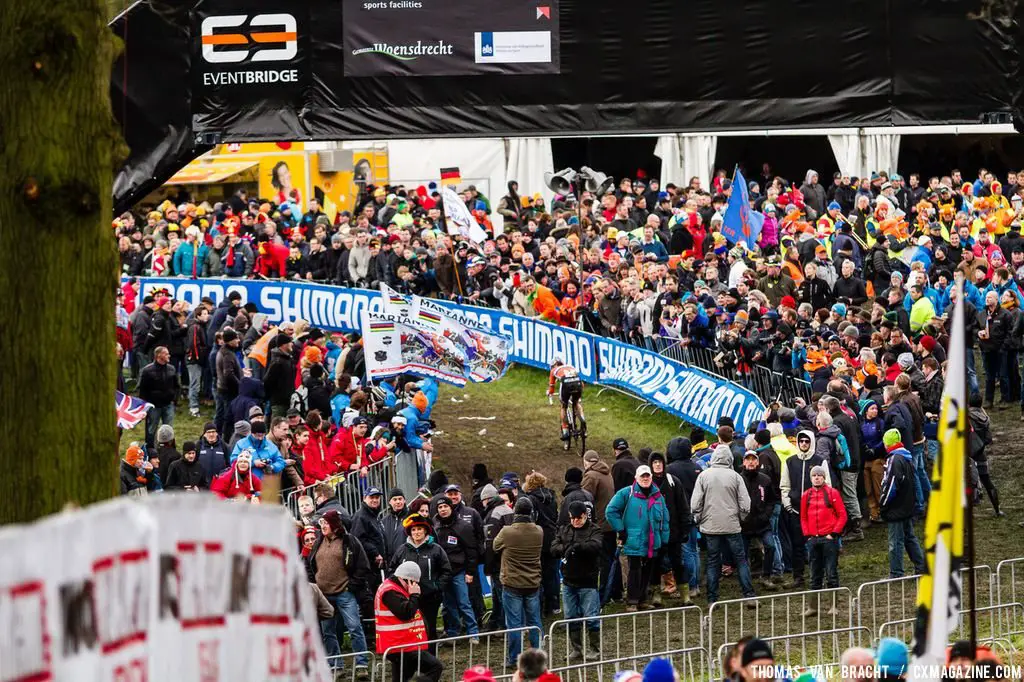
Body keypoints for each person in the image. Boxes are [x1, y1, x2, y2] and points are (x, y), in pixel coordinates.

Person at [307, 509, 371, 677]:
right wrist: (314, 584)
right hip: (323, 596)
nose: (323, 526)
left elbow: (362, 565)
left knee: (354, 627)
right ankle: (336, 665)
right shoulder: (318, 541)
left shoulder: (350, 541)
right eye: (321, 523)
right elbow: (310, 563)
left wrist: (351, 586)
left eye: (326, 523)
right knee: (328, 632)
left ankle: (361, 664)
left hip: (345, 593)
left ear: (334, 525)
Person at [690, 446, 756, 606]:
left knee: (713, 562)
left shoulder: (704, 476)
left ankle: (712, 599)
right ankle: (749, 595)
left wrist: (699, 518)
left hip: (710, 526)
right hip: (732, 525)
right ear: (730, 459)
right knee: (741, 560)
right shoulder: (735, 476)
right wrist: (740, 518)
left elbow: (695, 503)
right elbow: (746, 503)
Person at [605, 465, 671, 611]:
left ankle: (642, 599)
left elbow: (665, 520)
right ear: (636, 478)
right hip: (634, 539)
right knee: (634, 570)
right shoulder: (625, 493)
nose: (645, 478)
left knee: (648, 570)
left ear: (651, 477)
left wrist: (665, 540)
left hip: (653, 540)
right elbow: (611, 511)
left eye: (647, 476)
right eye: (642, 476)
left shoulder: (658, 496)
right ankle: (632, 601)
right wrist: (621, 529)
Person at [493, 497, 544, 666]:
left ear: (515, 510)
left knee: (514, 624)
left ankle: (514, 658)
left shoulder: (507, 531)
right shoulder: (539, 531)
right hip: (532, 583)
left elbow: (495, 546)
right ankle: (538, 656)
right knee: (535, 622)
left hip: (512, 583)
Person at [374, 560, 444, 682]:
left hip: (402, 644)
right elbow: (406, 613)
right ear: (408, 580)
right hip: (401, 645)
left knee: (402, 678)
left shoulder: (394, 588)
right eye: (415, 583)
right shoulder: (390, 591)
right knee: (435, 667)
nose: (416, 586)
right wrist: (415, 595)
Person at [551, 500, 603, 662]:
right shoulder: (564, 530)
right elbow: (553, 547)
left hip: (588, 582)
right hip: (568, 581)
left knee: (591, 617)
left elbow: (596, 546)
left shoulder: (595, 530)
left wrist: (579, 547)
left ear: (584, 516)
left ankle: (595, 649)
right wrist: (564, 549)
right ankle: (577, 649)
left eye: (578, 519)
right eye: (572, 518)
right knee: (570, 616)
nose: (575, 522)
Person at [388, 513, 450, 647]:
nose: (416, 532)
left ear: (425, 530)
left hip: (430, 598)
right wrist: (401, 588)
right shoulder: (402, 550)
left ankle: (431, 658)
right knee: (410, 629)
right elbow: (392, 570)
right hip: (407, 598)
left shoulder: (436, 549)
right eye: (413, 530)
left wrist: (436, 586)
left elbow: (446, 571)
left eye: (419, 529)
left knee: (429, 630)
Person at [779, 430, 831, 588]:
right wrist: (787, 503)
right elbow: (785, 485)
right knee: (797, 545)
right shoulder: (790, 461)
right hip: (795, 510)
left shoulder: (819, 461)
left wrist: (821, 504)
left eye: (806, 441)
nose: (803, 444)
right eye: (800, 441)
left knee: (816, 545)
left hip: (815, 511)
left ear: (811, 442)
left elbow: (827, 484)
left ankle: (818, 576)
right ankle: (798, 577)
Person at [879, 429, 926, 578]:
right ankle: (921, 566)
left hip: (896, 508)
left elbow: (891, 484)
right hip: (907, 506)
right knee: (909, 537)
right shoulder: (906, 457)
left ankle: (896, 573)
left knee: (895, 543)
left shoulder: (894, 460)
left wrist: (883, 504)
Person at [433, 497, 480, 641]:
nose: (443, 510)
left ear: (451, 507)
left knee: (464, 603)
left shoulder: (463, 526)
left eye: (445, 507)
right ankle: (453, 632)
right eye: (440, 508)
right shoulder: (435, 525)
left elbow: (471, 550)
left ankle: (473, 633)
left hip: (459, 571)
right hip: (443, 572)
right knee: (448, 605)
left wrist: (470, 571)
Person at [800, 465, 846, 599]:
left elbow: (842, 515)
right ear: (811, 478)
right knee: (814, 574)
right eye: (814, 475)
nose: (817, 478)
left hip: (829, 538)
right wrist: (808, 535)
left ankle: (833, 604)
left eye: (819, 475)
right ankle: (813, 606)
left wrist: (833, 534)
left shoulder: (832, 493)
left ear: (824, 477)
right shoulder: (806, 495)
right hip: (813, 539)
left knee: (831, 573)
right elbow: (803, 517)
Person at [739, 451, 781, 590]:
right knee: (742, 554)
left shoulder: (765, 479)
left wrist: (766, 515)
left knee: (770, 546)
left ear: (757, 462)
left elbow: (771, 500)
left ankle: (766, 576)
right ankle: (745, 581)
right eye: (748, 459)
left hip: (762, 523)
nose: (751, 462)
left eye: (753, 459)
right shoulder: (738, 479)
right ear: (744, 462)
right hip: (744, 524)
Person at [580, 450, 616, 603]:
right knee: (609, 560)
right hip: (610, 523)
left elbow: (584, 501)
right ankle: (612, 592)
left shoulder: (591, 476)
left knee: (600, 562)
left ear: (586, 462)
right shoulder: (607, 473)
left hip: (598, 525)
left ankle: (602, 595)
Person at [138, 345, 178, 450]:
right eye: (166, 353)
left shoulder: (171, 369)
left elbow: (176, 385)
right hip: (153, 406)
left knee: (169, 429)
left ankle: (169, 450)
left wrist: (174, 400)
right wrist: (144, 407)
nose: (169, 355)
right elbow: (143, 390)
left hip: (168, 404)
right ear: (158, 355)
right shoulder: (147, 371)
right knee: (151, 430)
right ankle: (150, 450)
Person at [548, 359, 585, 448]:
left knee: (563, 406)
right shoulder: (570, 367)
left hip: (566, 386)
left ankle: (565, 432)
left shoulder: (554, 370)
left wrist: (550, 393)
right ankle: (583, 421)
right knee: (576, 403)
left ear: (554, 365)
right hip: (578, 384)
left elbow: (552, 386)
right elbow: (582, 383)